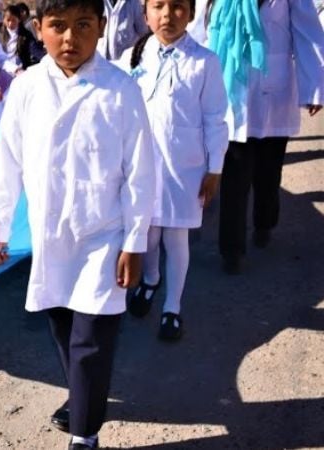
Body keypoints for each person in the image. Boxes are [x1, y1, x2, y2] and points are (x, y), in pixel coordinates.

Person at [0, 0, 154, 448]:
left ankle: (85, 434)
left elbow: (140, 171)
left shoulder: (120, 90)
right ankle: (84, 397)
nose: (70, 38)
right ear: (39, 29)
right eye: (58, 26)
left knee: (91, 341)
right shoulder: (27, 90)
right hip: (51, 236)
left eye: (83, 26)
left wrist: (135, 242)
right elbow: (8, 160)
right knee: (63, 330)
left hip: (105, 236)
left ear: (100, 28)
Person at [120, 0, 228, 340]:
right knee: (148, 233)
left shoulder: (205, 61)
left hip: (185, 169)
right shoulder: (134, 57)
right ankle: (151, 279)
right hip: (141, 167)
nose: (168, 15)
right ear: (146, 14)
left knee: (176, 236)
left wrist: (215, 168)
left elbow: (216, 118)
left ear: (192, 14)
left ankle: (172, 308)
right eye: (158, 6)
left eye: (178, 6)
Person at [208, 0, 324, 274]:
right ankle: (232, 250)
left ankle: (264, 223)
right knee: (234, 178)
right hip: (233, 92)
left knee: (268, 175)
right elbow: (205, 31)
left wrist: (315, 87)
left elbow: (307, 32)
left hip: (275, 96)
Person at [0, 3, 41, 70]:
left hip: (21, 72)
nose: (10, 23)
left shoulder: (25, 35)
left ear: (19, 20)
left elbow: (35, 51)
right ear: (4, 20)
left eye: (13, 20)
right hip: (4, 72)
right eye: (8, 20)